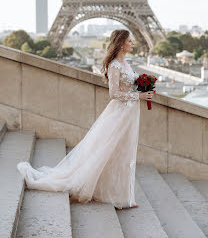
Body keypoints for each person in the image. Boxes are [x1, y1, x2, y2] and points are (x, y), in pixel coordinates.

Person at [17, 29, 154, 210]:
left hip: (128, 114)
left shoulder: (126, 63)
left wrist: (143, 88)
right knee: (110, 152)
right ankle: (115, 196)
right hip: (119, 115)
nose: (132, 44)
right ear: (121, 44)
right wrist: (139, 97)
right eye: (129, 41)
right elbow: (113, 93)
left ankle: (123, 197)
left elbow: (128, 86)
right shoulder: (114, 65)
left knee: (124, 153)